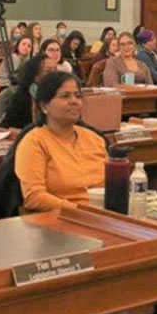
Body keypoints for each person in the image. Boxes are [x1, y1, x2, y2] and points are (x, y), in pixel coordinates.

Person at [15, 71, 107, 212]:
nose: (74, 101)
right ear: (45, 106)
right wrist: (78, 210)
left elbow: (114, 185)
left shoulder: (94, 139)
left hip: (104, 215)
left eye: (77, 96)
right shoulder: (34, 141)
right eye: (65, 96)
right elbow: (34, 197)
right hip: (61, 218)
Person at [2, 54, 58, 130]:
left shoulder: (60, 96)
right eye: (48, 71)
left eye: (55, 71)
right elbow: (7, 127)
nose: (53, 76)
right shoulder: (22, 97)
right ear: (35, 76)